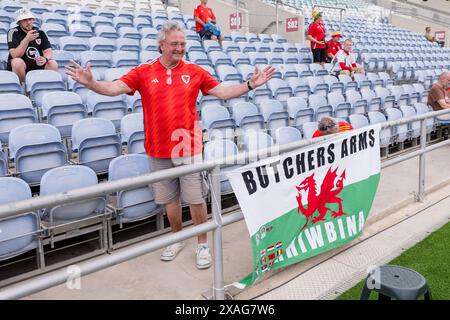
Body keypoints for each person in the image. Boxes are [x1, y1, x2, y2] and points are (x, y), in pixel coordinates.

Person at [65, 21, 276, 269]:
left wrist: (250, 84)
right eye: (174, 44)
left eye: (183, 44)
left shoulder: (195, 71)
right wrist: (91, 84)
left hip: (188, 147)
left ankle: (202, 244)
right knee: (169, 199)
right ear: (162, 45)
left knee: (196, 198)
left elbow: (223, 92)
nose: (179, 48)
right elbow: (114, 89)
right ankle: (177, 237)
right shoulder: (144, 71)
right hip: (157, 149)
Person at [6, 8, 58, 83]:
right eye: (25, 20)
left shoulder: (40, 32)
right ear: (19, 22)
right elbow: (14, 55)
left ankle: (47, 88)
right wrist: (27, 39)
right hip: (21, 63)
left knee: (52, 63)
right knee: (17, 62)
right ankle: (23, 89)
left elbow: (48, 50)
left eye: (30, 19)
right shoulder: (13, 32)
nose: (28, 22)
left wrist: (45, 58)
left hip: (35, 62)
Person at [427, 71, 450, 139]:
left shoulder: (442, 88)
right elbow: (443, 105)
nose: (449, 82)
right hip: (440, 113)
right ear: (443, 79)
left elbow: (447, 102)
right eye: (449, 80)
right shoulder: (436, 88)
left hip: (445, 112)